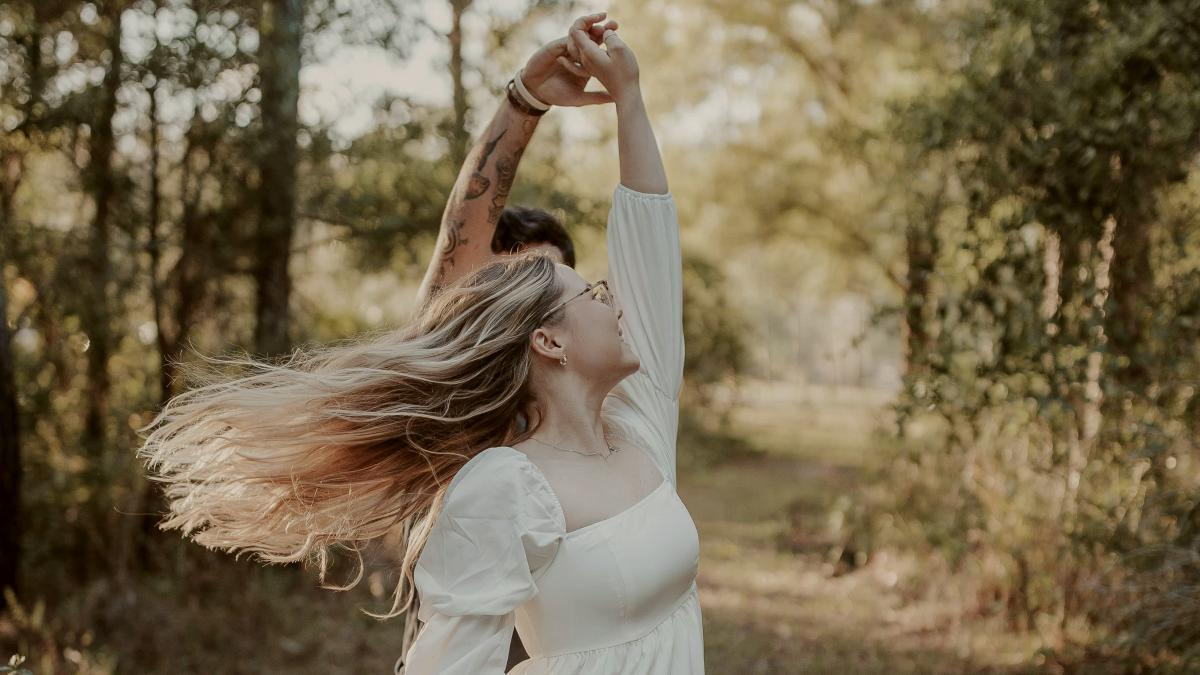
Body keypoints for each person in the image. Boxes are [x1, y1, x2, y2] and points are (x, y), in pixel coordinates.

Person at [136, 12, 702, 675]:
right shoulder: (500, 476)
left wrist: (629, 99)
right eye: (597, 294)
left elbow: (649, 241)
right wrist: (522, 100)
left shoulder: (640, 421)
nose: (618, 300)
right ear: (546, 338)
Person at [402, 15, 617, 670]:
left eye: (547, 289)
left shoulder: (608, 408)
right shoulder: (454, 401)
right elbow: (462, 237)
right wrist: (524, 100)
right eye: (508, 292)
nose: (526, 317)